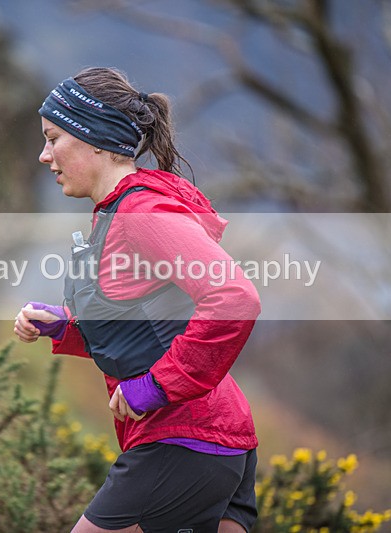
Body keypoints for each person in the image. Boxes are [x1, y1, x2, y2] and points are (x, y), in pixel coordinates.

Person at [14, 67, 261, 533]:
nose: (44, 155)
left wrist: (156, 387)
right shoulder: (117, 212)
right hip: (213, 440)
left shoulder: (141, 213)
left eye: (53, 138)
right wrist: (64, 325)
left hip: (185, 438)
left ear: (96, 140)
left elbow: (233, 298)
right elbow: (146, 325)